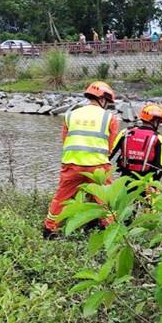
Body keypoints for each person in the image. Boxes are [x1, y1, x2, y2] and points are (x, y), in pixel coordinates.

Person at [43, 81, 119, 239]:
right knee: (106, 199)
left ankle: (49, 229)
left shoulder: (70, 115)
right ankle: (109, 230)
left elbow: (65, 140)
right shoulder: (109, 118)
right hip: (98, 168)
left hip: (72, 165)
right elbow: (110, 147)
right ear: (103, 99)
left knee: (61, 197)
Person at [110, 103, 162, 181]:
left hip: (124, 180)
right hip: (145, 183)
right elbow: (159, 168)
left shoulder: (125, 132)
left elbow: (110, 154)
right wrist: (154, 186)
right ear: (156, 121)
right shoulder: (159, 139)